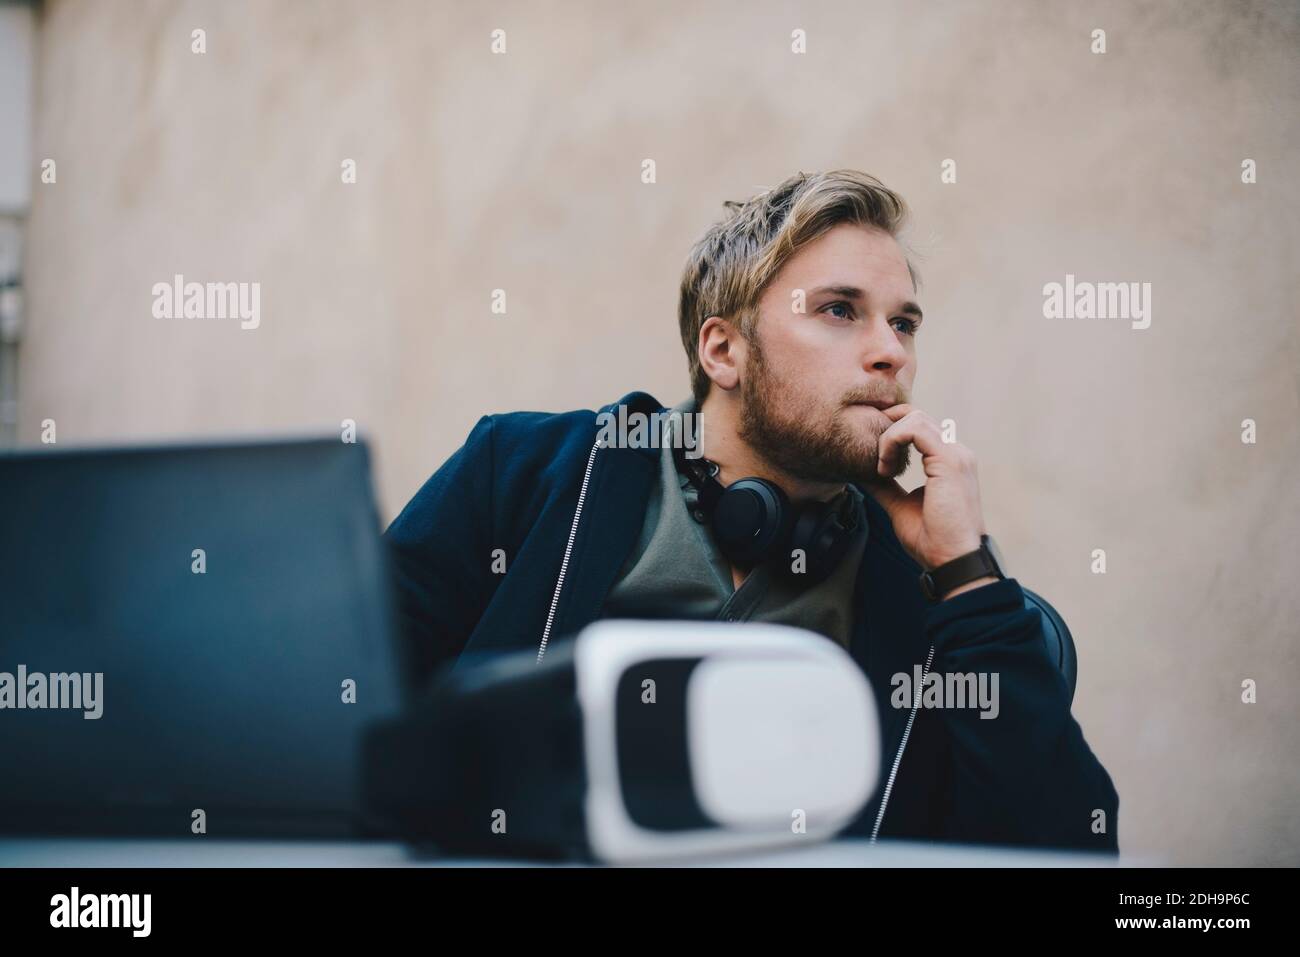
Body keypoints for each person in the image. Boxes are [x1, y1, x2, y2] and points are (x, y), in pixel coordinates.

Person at [385, 169, 1119, 852]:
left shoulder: (928, 589)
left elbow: (1067, 848)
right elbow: (340, 719)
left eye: (904, 324)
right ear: (724, 350)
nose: (890, 352)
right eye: (840, 310)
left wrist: (966, 577)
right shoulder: (525, 473)